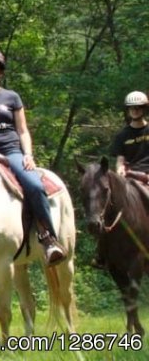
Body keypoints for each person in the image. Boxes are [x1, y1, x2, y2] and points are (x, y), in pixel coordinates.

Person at [0, 49, 66, 266]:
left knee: (34, 185)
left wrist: (28, 155)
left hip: (10, 152)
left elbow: (23, 130)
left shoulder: (12, 97)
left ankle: (48, 239)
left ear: (0, 72)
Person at [92, 90, 149, 268]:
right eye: (132, 108)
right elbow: (120, 160)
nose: (135, 111)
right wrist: (120, 171)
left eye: (138, 107)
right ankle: (101, 254)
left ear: (144, 109)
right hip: (130, 176)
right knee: (108, 207)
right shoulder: (122, 135)